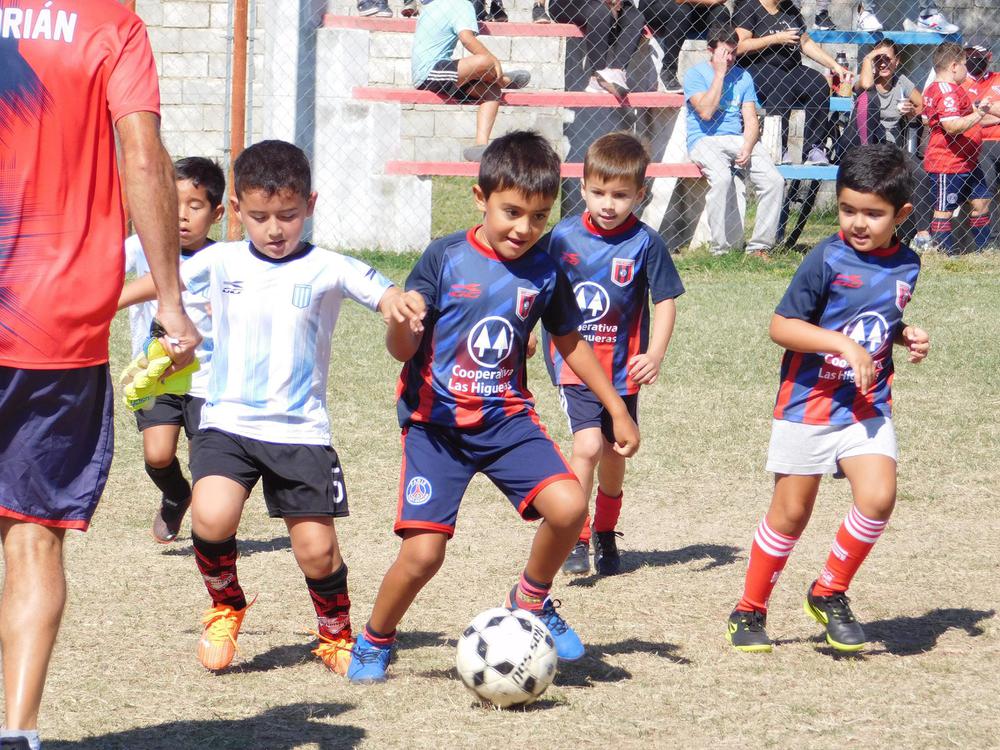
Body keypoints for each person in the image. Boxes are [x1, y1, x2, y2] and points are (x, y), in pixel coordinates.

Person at [346, 131, 641, 684]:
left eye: (538, 216)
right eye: (511, 212)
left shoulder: (548, 270)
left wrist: (615, 408)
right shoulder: (445, 256)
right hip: (435, 427)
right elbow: (403, 349)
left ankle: (530, 600)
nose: (524, 228)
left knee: (568, 506)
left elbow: (572, 340)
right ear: (480, 198)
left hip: (506, 419)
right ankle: (375, 637)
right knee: (423, 556)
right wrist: (398, 326)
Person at [118, 140, 411, 676]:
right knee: (210, 516)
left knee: (316, 552)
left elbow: (379, 289)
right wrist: (95, 307)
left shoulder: (327, 267)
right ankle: (226, 606)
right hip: (227, 421)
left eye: (288, 216)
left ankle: (334, 631)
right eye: (259, 217)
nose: (274, 229)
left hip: (299, 431)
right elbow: (161, 284)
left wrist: (397, 304)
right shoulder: (220, 259)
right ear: (236, 212)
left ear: (311, 204)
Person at [0, 3, 200, 748]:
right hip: (51, 320)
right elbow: (143, 155)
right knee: (32, 534)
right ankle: (16, 734)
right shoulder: (110, 22)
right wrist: (170, 301)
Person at [725, 143, 931, 654]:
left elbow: (875, 316)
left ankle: (829, 591)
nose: (858, 222)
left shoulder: (907, 264)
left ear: (901, 214)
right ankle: (748, 608)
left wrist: (903, 335)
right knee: (791, 513)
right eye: (847, 209)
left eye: (873, 213)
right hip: (809, 403)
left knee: (879, 497)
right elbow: (782, 326)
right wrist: (842, 344)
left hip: (865, 403)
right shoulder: (826, 257)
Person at [543, 133, 684, 576]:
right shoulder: (562, 238)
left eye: (620, 195)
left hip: (623, 371)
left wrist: (655, 354)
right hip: (574, 366)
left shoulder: (646, 243)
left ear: (639, 194)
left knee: (613, 453)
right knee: (586, 446)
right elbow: (537, 288)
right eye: (599, 192)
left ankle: (605, 532)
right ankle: (576, 536)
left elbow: (665, 301)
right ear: (582, 188)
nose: (608, 204)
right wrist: (526, 332)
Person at [124, 157, 225, 544]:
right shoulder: (142, 247)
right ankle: (175, 494)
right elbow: (104, 266)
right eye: (172, 203)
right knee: (158, 456)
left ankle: (209, 525)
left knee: (209, 465)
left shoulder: (224, 261)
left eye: (195, 206)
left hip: (208, 378)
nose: (182, 216)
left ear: (216, 213)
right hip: (157, 376)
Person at [684, 23, 785, 257]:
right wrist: (719, 74)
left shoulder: (744, 77)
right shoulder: (696, 74)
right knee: (721, 180)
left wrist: (748, 146)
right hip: (704, 139)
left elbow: (750, 119)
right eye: (724, 53)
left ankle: (759, 247)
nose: (730, 59)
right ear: (711, 50)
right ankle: (720, 250)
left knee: (774, 181)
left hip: (736, 138)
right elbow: (706, 112)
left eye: (733, 53)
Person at [732, 0, 852, 164]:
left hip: (790, 67)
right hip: (757, 67)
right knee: (781, 83)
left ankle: (814, 148)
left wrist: (835, 65)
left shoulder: (789, 8)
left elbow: (805, 42)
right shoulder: (749, 6)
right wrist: (776, 38)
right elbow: (739, 46)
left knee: (818, 84)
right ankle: (778, 147)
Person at [411, 0, 530, 161]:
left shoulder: (435, 4)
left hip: (443, 73)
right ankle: (503, 79)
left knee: (491, 91)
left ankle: (480, 147)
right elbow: (467, 39)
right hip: (430, 72)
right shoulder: (461, 4)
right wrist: (494, 61)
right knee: (484, 62)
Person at [923, 42, 996, 253]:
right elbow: (951, 126)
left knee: (981, 202)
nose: (968, 68)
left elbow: (939, 118)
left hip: (968, 161)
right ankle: (942, 252)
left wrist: (977, 113)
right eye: (965, 64)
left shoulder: (950, 89)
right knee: (944, 210)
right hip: (948, 163)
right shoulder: (946, 91)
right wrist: (979, 114)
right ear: (954, 66)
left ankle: (983, 249)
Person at [548, 0, 645, 96]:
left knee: (635, 18)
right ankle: (598, 78)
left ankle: (615, 74)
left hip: (611, 4)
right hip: (568, 4)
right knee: (600, 11)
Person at [644, 0, 732, 93]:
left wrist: (713, 2)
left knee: (721, 11)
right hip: (656, 8)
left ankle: (717, 71)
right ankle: (668, 71)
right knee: (683, 10)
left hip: (694, 9)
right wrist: (712, 1)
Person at [962, 44, 1000, 246]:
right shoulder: (961, 83)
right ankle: (987, 245)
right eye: (970, 56)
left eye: (979, 56)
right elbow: (963, 117)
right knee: (985, 194)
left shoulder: (998, 78)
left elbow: (974, 114)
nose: (974, 59)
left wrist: (980, 110)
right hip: (979, 144)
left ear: (989, 57)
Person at [855, 40, 923, 148]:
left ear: (896, 61)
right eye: (878, 59)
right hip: (865, 142)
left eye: (887, 59)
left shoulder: (901, 81)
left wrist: (911, 111)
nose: (883, 64)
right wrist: (868, 58)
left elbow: (923, 105)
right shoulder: (865, 78)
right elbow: (866, 85)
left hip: (891, 144)